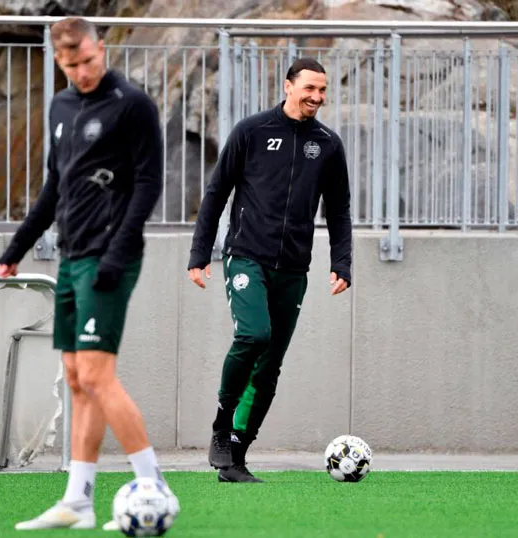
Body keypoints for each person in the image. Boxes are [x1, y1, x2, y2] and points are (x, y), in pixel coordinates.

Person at [0, 17, 173, 529]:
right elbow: (55, 188)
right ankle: (78, 500)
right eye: (71, 65)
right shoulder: (62, 105)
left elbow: (148, 184)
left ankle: (154, 483)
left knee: (97, 374)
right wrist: (16, 249)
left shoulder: (133, 105)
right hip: (71, 256)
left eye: (89, 60)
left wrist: (117, 257)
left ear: (102, 46)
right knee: (76, 380)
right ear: (59, 61)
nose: (83, 71)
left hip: (109, 256)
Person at [187, 57, 352, 483]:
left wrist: (342, 262)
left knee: (270, 364)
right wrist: (199, 253)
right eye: (309, 88)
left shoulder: (328, 144)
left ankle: (237, 456)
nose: (316, 97)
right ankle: (222, 426)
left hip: (294, 268)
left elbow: (339, 210)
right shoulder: (252, 131)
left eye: (322, 90)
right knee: (253, 335)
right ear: (288, 85)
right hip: (246, 256)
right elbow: (216, 192)